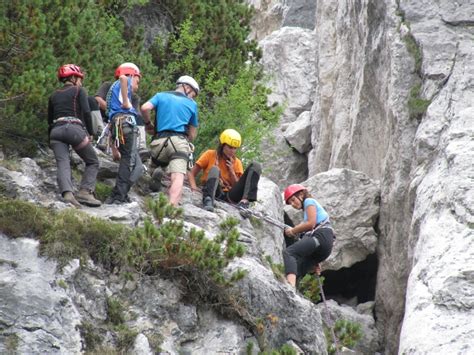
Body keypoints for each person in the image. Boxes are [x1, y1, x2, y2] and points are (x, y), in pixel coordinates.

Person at [47, 64, 101, 208]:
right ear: (73, 78)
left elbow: (49, 120)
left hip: (56, 132)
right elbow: (87, 112)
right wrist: (90, 132)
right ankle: (85, 192)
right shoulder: (79, 90)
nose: (81, 82)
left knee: (62, 163)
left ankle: (67, 194)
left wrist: (49, 139)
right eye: (80, 78)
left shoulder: (53, 95)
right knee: (92, 161)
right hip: (74, 130)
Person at [141, 75, 200, 207]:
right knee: (178, 176)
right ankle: (171, 207)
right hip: (179, 142)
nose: (192, 97)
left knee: (155, 164)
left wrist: (148, 123)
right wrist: (187, 142)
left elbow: (145, 108)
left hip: (159, 142)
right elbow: (192, 134)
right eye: (193, 94)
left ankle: (155, 172)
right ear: (187, 88)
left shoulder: (160, 96)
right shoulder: (192, 104)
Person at [188, 129, 261, 212]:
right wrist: (193, 187)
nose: (232, 151)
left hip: (230, 195)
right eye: (230, 147)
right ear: (222, 145)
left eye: (235, 148)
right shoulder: (210, 154)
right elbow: (191, 172)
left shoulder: (237, 162)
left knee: (256, 165)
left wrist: (232, 172)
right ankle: (208, 200)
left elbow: (236, 186)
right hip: (215, 191)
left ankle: (244, 202)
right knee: (215, 169)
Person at [104, 62, 144, 204]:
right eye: (137, 81)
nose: (137, 86)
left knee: (138, 166)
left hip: (117, 126)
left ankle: (120, 193)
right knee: (128, 162)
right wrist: (127, 102)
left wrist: (113, 147)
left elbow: (110, 122)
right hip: (126, 124)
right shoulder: (124, 80)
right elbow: (122, 78)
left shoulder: (113, 92)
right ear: (132, 75)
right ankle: (118, 196)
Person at [282, 184, 334, 288]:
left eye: (293, 199)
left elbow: (311, 224)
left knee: (289, 253)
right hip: (325, 245)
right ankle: (294, 290)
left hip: (320, 237)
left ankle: (290, 288)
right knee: (298, 268)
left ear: (301, 194)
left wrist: (293, 230)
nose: (292, 204)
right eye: (290, 203)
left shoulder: (308, 201)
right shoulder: (307, 210)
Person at [95, 63, 147, 156]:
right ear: (130, 76)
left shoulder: (134, 97)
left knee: (138, 118)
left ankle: (140, 147)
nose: (137, 87)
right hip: (105, 121)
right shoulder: (109, 86)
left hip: (121, 125)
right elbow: (98, 99)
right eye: (137, 82)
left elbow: (136, 115)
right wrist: (113, 109)